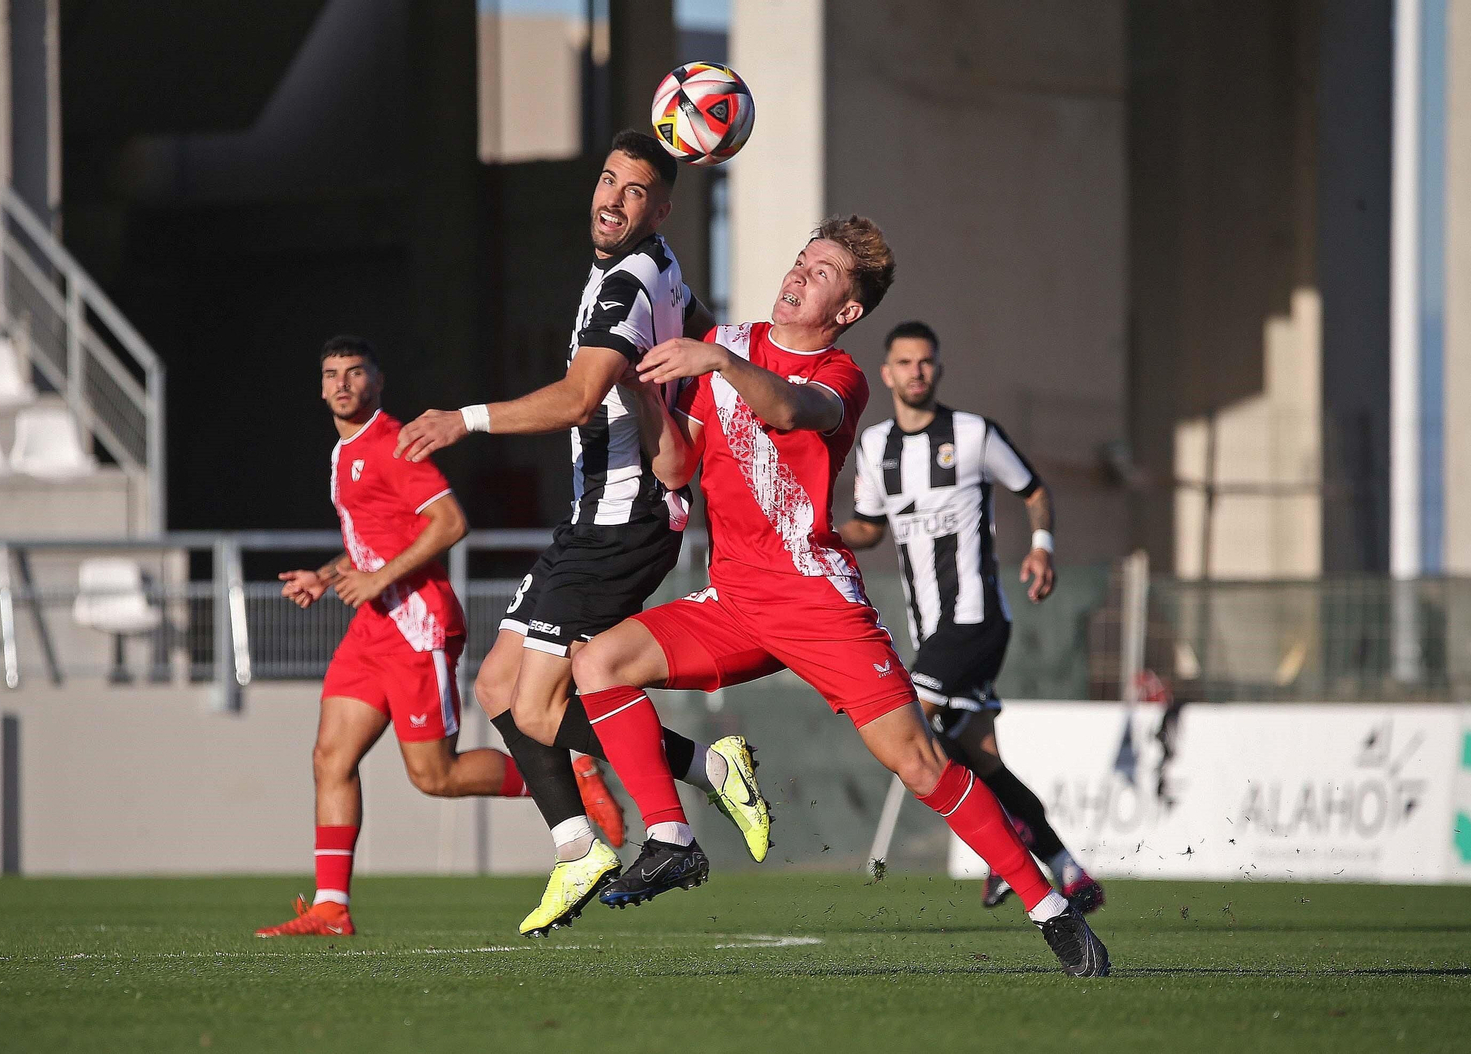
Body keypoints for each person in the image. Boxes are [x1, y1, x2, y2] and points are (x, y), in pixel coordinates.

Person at [571, 217, 1110, 976]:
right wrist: (642, 393)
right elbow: (674, 467)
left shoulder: (841, 375)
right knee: (597, 664)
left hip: (818, 604)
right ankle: (671, 838)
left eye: (821, 272)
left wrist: (717, 360)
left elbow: (790, 411)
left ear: (847, 311)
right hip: (734, 601)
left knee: (921, 762)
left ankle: (1048, 907)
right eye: (800, 260)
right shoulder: (726, 340)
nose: (797, 275)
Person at [392, 131, 771, 937]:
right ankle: (577, 844)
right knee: (497, 688)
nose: (612, 198)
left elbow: (574, 399)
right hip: (594, 515)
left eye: (634, 191)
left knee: (535, 706)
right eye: (607, 180)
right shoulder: (659, 264)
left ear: (659, 207)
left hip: (622, 521)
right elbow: (703, 325)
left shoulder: (625, 285)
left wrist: (463, 419)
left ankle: (699, 776)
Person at [258, 336, 538, 938]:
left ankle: (557, 777)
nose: (341, 383)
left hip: (416, 624)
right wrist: (326, 574)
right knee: (331, 757)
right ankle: (331, 907)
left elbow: (451, 522)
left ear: (377, 383)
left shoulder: (393, 444)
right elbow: (372, 540)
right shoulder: (343, 452)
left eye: (354, 373)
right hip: (372, 629)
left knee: (435, 777)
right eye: (331, 373)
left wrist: (378, 578)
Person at [840, 320, 1105, 915]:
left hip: (977, 620)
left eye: (925, 361)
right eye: (904, 363)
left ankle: (1005, 854)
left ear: (939, 368)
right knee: (979, 759)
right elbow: (869, 526)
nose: (916, 371)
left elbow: (1035, 490)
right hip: (930, 630)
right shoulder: (876, 446)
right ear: (887, 374)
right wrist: (820, 533)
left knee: (905, 729)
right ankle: (1066, 869)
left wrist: (1042, 546)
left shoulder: (973, 434)